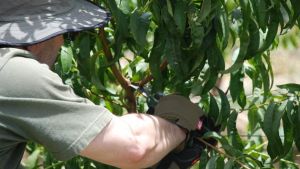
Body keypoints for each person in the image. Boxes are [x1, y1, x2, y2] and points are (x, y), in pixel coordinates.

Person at [0, 0, 207, 169]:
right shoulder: (15, 73)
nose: (62, 42)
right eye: (64, 33)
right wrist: (184, 127)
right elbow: (134, 146)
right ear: (40, 32)